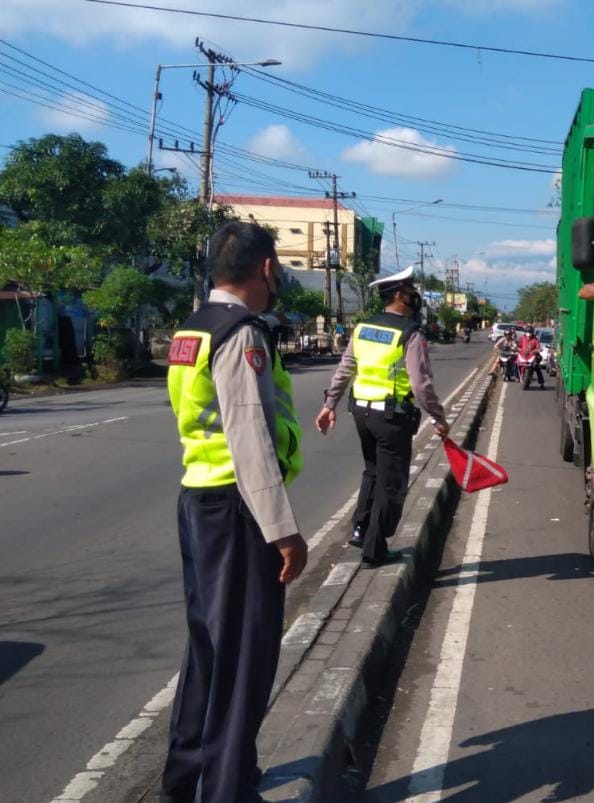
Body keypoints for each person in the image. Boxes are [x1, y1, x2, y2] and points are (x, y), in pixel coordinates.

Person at [161, 221, 308, 803]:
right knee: (244, 662)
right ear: (266, 269)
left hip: (198, 500)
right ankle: (226, 791)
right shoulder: (242, 334)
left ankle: (185, 779)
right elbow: (250, 438)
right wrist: (285, 531)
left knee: (207, 652)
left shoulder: (192, 329)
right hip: (237, 511)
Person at [315, 266, 450, 566]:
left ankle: (361, 530)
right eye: (412, 291)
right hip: (391, 418)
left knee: (372, 471)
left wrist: (329, 404)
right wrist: (438, 418)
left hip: (361, 412)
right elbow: (421, 384)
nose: (416, 296)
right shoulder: (410, 334)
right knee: (391, 482)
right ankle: (375, 550)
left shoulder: (363, 328)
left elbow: (345, 369)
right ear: (401, 295)